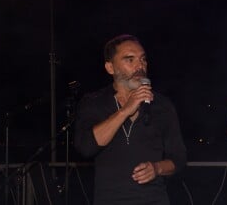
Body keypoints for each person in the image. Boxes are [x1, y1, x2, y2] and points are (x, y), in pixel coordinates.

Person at [74, 34, 187, 205]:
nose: (139, 66)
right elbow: (86, 147)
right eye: (130, 60)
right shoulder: (94, 102)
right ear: (110, 67)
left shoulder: (162, 105)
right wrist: (125, 110)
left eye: (143, 59)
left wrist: (157, 168)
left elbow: (179, 159)